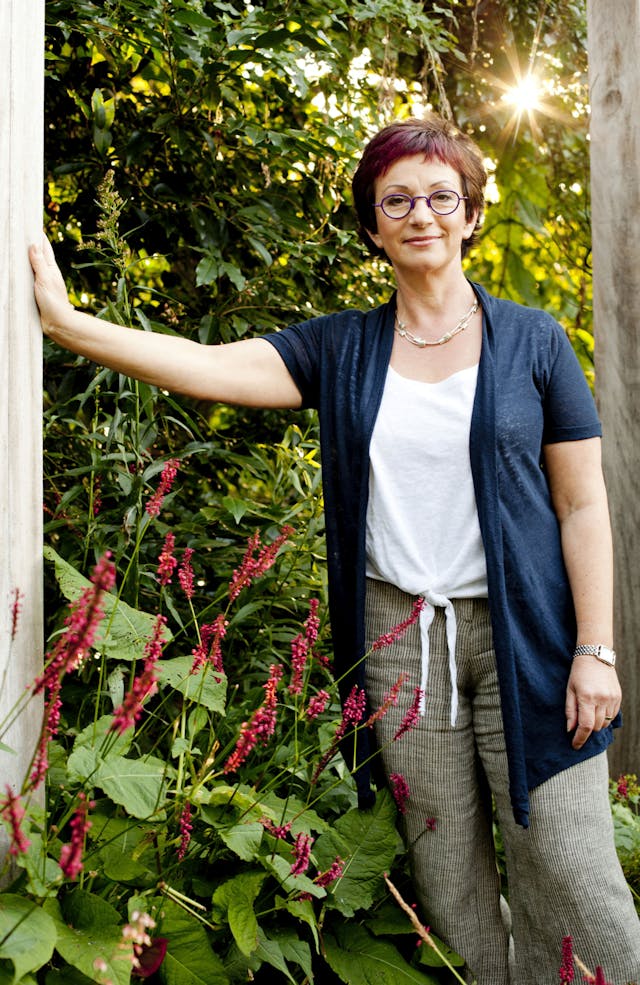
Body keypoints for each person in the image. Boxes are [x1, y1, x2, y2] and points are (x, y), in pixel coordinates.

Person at [30, 113, 640, 984]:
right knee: (446, 880)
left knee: (575, 871)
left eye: (441, 195)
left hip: (533, 637)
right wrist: (69, 325)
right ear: (372, 225)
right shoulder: (340, 348)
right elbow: (207, 364)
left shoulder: (535, 341)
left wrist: (596, 648)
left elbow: (583, 505)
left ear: (470, 213)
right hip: (400, 641)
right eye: (397, 199)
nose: (420, 213)